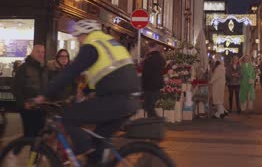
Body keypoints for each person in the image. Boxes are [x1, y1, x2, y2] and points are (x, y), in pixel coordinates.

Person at [34, 19, 140, 165]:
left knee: (67, 116)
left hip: (114, 101)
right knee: (99, 142)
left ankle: (85, 149)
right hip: (131, 101)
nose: (78, 41)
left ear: (84, 34)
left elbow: (70, 72)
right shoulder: (111, 42)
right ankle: (94, 156)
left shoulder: (91, 45)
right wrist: (85, 91)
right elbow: (106, 73)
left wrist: (44, 95)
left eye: (78, 37)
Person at [12, 44, 48, 137]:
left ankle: (34, 151)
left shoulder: (45, 68)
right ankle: (21, 148)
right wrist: (23, 103)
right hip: (29, 107)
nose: (41, 54)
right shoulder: (24, 68)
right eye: (38, 51)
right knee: (29, 135)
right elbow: (16, 88)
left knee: (39, 135)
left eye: (43, 52)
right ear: (32, 53)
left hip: (42, 107)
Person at [141, 41, 166, 118]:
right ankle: (153, 122)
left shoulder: (149, 59)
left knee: (148, 106)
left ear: (149, 47)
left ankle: (155, 122)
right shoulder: (161, 58)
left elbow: (146, 74)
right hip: (158, 85)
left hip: (149, 86)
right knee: (150, 106)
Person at [210, 54, 227, 119]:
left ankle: (220, 112)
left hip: (218, 84)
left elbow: (216, 76)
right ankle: (221, 111)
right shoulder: (221, 66)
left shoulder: (219, 67)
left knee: (218, 98)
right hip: (220, 84)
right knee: (219, 98)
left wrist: (211, 81)